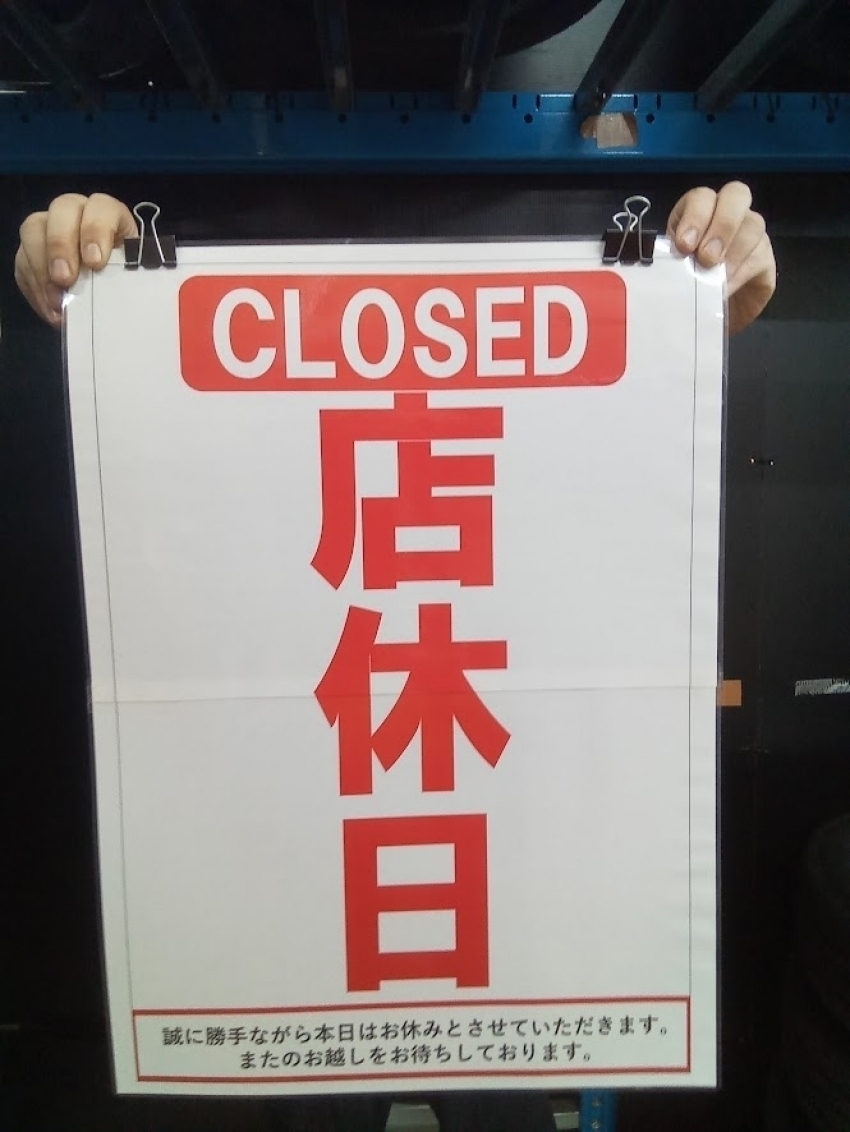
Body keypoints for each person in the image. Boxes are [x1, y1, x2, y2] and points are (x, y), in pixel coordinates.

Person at [10, 183, 776, 1132]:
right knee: (315, 1079)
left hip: (506, 859)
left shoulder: (571, 215)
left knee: (498, 1072)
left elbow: (616, 472)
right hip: (303, 868)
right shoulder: (206, 211)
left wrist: (694, 301)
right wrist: (96, 281)